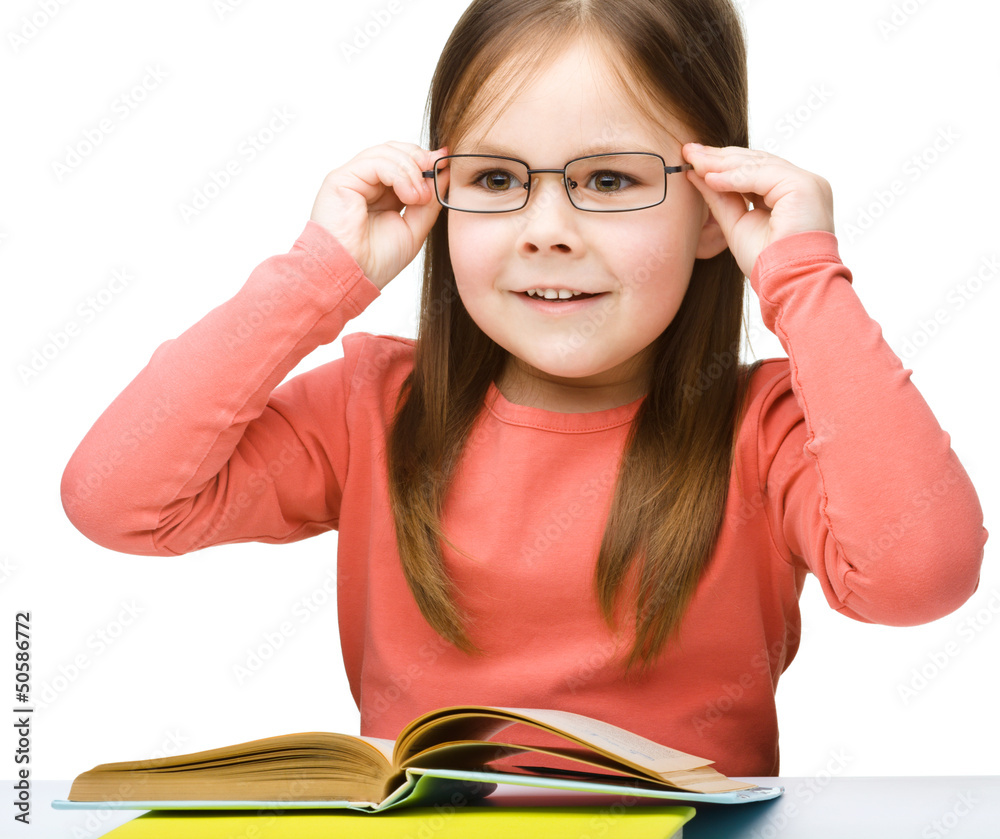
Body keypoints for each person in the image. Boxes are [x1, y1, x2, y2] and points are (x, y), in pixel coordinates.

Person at [61, 0, 985, 777]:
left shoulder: (767, 428)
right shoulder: (371, 409)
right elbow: (118, 501)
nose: (547, 230)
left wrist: (802, 277)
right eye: (498, 177)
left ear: (716, 208)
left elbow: (920, 579)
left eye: (610, 179)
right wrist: (319, 273)